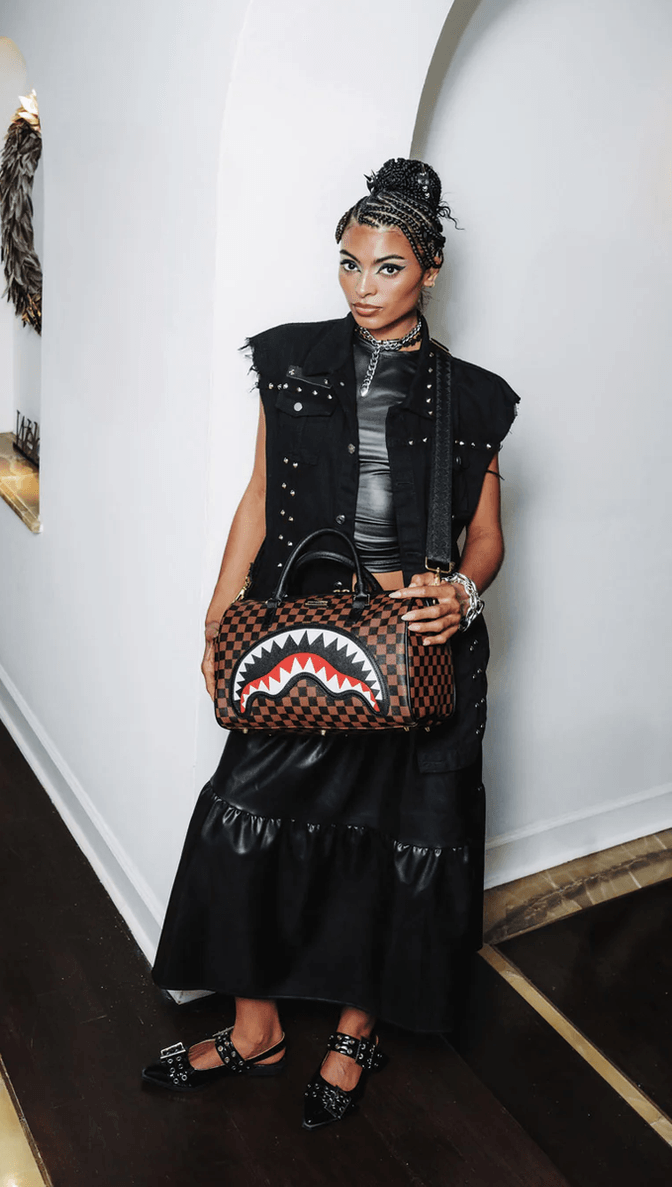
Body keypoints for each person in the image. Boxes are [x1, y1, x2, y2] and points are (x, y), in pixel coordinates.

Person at [142, 159, 519, 1130]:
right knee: (240, 817)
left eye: (386, 267)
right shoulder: (293, 363)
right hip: (308, 641)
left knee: (398, 843)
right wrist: (219, 616)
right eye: (348, 263)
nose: (361, 286)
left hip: (417, 654)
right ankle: (255, 1026)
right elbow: (258, 497)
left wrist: (461, 592)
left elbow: (485, 537)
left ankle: (355, 1030)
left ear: (428, 268)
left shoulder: (474, 397)